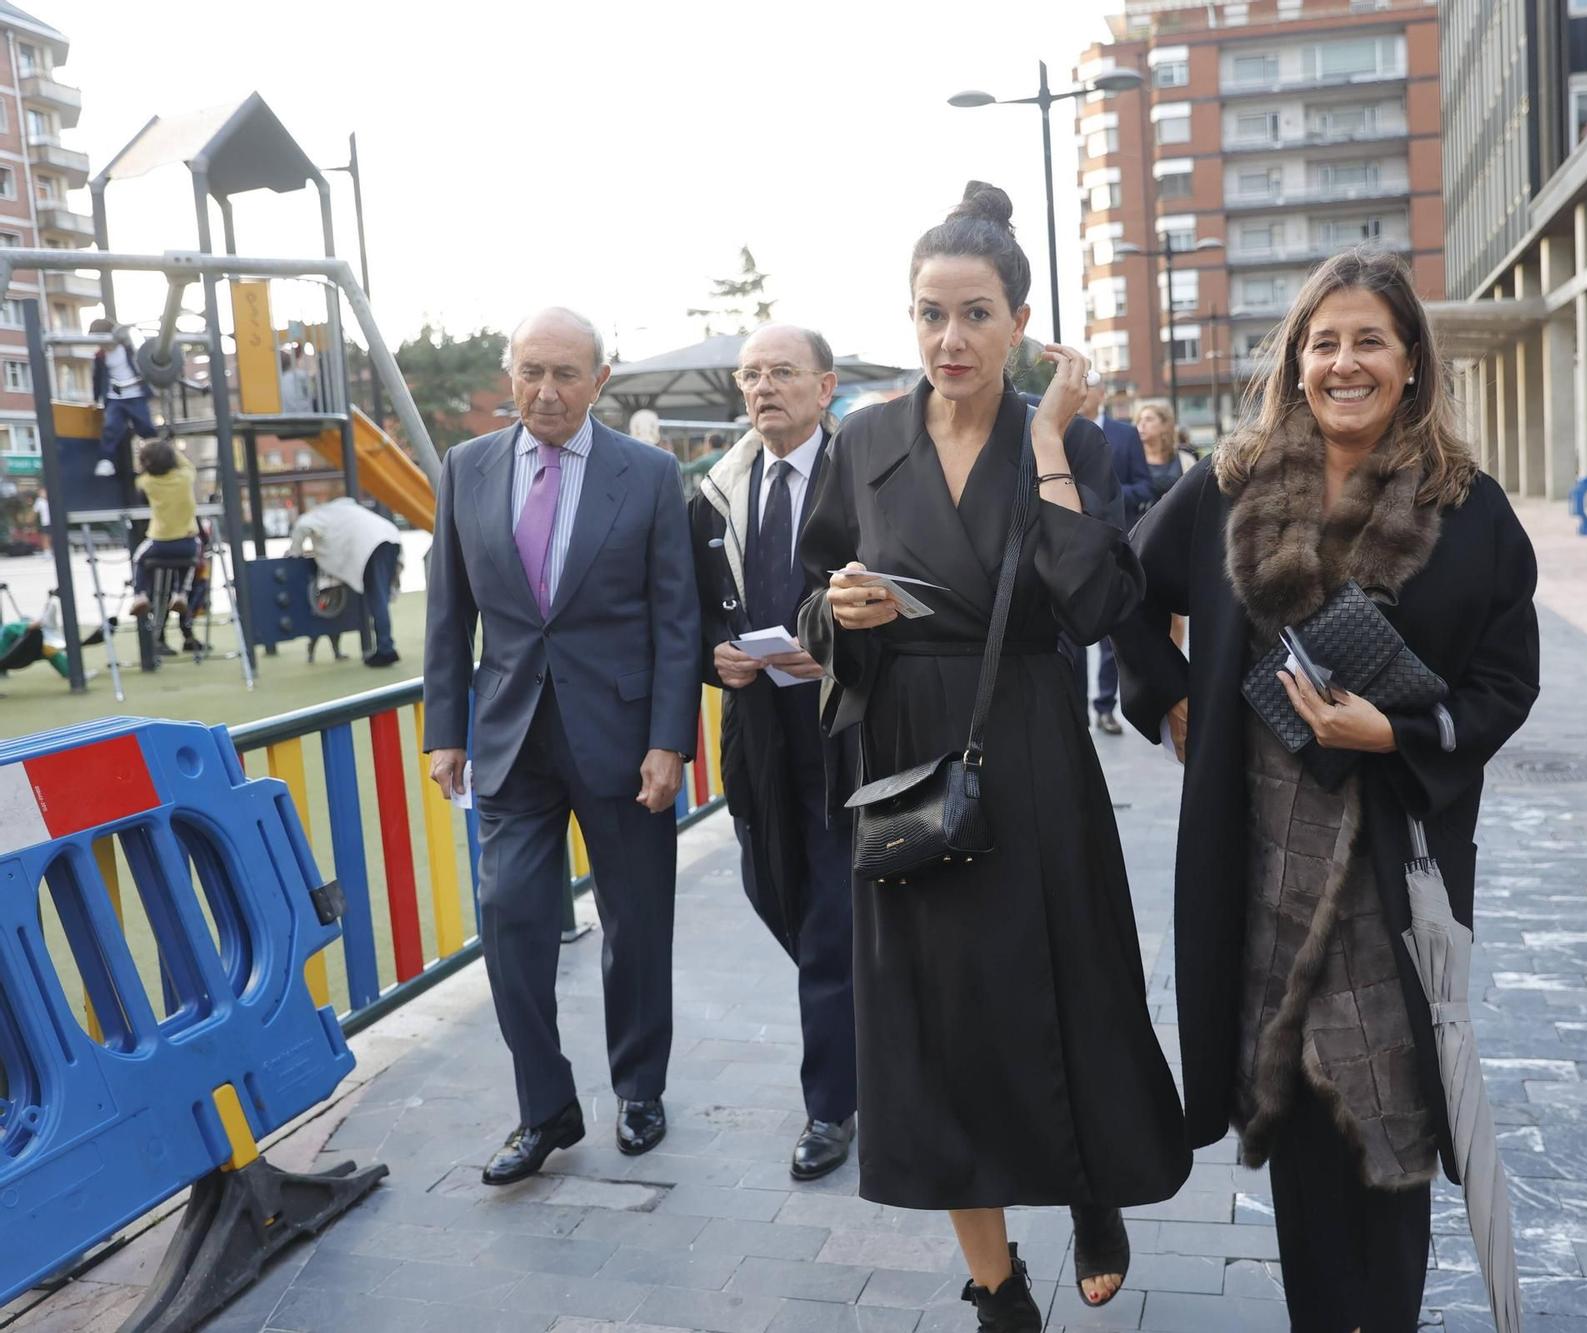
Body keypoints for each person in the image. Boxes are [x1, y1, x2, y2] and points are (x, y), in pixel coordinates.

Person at [1114, 249, 1540, 1332]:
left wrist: (1391, 728)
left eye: (1367, 341)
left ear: (1409, 363)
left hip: (1391, 868)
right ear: (1295, 360)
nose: (1342, 362)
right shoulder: (1230, 485)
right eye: (1323, 341)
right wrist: (1170, 701)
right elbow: (1124, 587)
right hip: (1252, 856)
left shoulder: (1467, 507)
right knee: (1296, 1123)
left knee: (1391, 1126)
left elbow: (1505, 681)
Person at [797, 182, 1188, 1331]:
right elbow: (813, 591)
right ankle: (993, 1284)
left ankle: (1089, 1189)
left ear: (1019, 322)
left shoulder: (1060, 435)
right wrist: (840, 614)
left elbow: (1097, 601)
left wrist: (1054, 438)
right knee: (934, 1025)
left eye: (973, 315)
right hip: (903, 753)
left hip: (1026, 745)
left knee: (1063, 995)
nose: (948, 339)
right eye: (929, 314)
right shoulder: (864, 438)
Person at [422, 307, 700, 1185]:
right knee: (510, 921)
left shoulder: (650, 475)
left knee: (636, 920)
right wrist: (442, 732)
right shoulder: (464, 469)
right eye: (531, 372)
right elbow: (448, 612)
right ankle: (544, 1108)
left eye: (566, 374)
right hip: (507, 739)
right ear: (510, 374)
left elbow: (676, 620)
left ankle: (641, 1087)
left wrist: (669, 741)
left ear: (600, 379)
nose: (546, 391)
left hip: (622, 740)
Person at [688, 324, 860, 1181]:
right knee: (769, 888)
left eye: (782, 373)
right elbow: (692, 611)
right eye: (752, 374)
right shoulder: (717, 488)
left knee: (831, 918)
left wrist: (836, 651)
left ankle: (832, 1103)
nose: (764, 388)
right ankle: (866, 1013)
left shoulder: (865, 472)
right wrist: (715, 657)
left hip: (846, 728)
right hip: (757, 732)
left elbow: (902, 593)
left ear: (824, 388)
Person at [1076, 378, 1141, 735]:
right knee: (1067, 643)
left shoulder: (1125, 435)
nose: (1084, 391)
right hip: (1068, 550)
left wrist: (1104, 495)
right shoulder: (1052, 427)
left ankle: (1104, 707)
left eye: (1091, 385)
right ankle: (1077, 715)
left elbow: (1144, 484)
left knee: (1107, 640)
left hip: (1111, 548)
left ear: (1102, 393)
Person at [289, 495, 404, 667]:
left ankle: (386, 649)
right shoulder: (343, 510)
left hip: (371, 545)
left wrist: (295, 551)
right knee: (381, 597)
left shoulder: (318, 515)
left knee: (377, 598)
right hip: (390, 537)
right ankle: (385, 644)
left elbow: (302, 526)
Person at [127, 438, 202, 656]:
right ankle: (181, 593)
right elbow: (187, 464)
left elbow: (137, 474)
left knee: (138, 558)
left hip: (160, 542)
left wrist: (142, 453)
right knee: (189, 561)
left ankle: (139, 594)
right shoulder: (185, 477)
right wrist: (167, 448)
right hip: (187, 541)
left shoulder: (147, 482)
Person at [91, 319, 159, 479]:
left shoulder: (128, 348)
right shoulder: (100, 356)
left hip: (135, 394)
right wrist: (96, 399)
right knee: (111, 428)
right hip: (115, 397)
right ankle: (106, 461)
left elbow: (145, 360)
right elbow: (97, 378)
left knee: (146, 427)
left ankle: (157, 458)